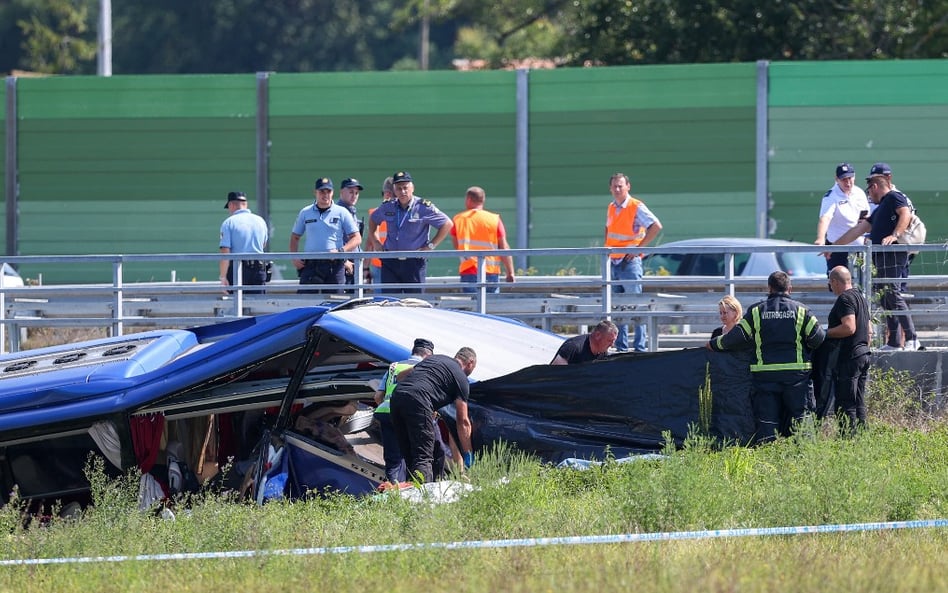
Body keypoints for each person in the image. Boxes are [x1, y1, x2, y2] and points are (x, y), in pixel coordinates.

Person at [707, 271, 825, 444]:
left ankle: (768, 455)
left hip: (765, 376)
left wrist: (714, 343)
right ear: (789, 289)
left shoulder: (756, 311)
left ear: (769, 288)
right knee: (802, 418)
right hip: (796, 377)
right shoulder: (801, 310)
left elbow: (736, 337)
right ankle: (806, 456)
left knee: (767, 422)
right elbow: (818, 338)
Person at [834, 169, 919, 351]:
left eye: (869, 191)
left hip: (892, 254)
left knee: (893, 294)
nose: (869, 195)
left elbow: (905, 214)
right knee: (885, 297)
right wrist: (833, 246)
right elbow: (858, 230)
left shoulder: (894, 197)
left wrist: (894, 235)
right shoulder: (880, 209)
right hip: (880, 256)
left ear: (875, 187)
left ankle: (912, 338)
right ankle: (894, 342)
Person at [389, 347, 477, 483]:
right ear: (470, 363)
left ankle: (412, 490)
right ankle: (422, 497)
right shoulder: (461, 378)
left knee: (413, 455)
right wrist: (468, 455)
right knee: (423, 457)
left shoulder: (435, 359)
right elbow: (463, 421)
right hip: (419, 400)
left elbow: (400, 377)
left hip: (397, 398)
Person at [368, 171, 453, 294]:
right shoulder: (388, 206)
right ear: (394, 190)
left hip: (414, 262)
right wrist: (376, 242)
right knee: (390, 303)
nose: (402, 192)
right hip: (390, 262)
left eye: (405, 188)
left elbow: (447, 224)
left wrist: (430, 246)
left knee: (414, 303)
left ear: (412, 188)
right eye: (398, 188)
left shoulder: (423, 207)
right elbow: (373, 220)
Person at [605, 172, 662, 352]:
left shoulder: (635, 206)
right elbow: (609, 231)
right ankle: (621, 346)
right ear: (610, 188)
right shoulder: (611, 207)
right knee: (618, 307)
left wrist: (638, 249)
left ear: (628, 187)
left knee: (635, 305)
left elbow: (656, 226)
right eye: (614, 186)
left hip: (629, 262)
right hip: (613, 261)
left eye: (620, 186)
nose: (617, 189)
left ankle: (639, 347)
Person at [373, 338, 434, 483]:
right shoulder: (424, 367)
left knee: (393, 459)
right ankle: (411, 490)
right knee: (415, 457)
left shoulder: (393, 366)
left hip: (386, 413)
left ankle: (392, 490)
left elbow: (377, 396)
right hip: (409, 415)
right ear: (428, 355)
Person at [289, 177, 362, 294]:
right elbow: (295, 237)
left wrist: (341, 251)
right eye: (322, 191)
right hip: (311, 265)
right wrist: (294, 257)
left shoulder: (341, 212)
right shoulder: (305, 212)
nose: (325, 195)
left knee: (335, 303)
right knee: (305, 301)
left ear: (333, 193)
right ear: (315, 192)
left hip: (334, 265)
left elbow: (357, 238)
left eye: (328, 191)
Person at [824, 265, 871, 434]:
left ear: (835, 282)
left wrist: (824, 334)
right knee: (858, 401)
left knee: (846, 401)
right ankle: (862, 437)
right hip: (863, 354)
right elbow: (869, 330)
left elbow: (849, 327)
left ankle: (847, 439)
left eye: (830, 283)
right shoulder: (860, 297)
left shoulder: (844, 299)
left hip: (850, 357)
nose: (830, 287)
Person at [450, 186, 516, 293]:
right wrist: (510, 272)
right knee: (491, 307)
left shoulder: (458, 219)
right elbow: (504, 248)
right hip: (491, 272)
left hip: (468, 271)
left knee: (471, 307)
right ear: (483, 200)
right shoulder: (494, 219)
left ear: (468, 199)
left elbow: (456, 245)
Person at [814, 162, 870, 274]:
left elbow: (866, 217)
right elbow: (825, 218)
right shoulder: (831, 196)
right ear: (837, 179)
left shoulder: (859, 193)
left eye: (850, 178)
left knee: (863, 285)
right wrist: (820, 238)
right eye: (844, 179)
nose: (848, 182)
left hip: (859, 248)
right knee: (838, 283)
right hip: (838, 249)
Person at [219, 191, 269, 294]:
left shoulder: (229, 223)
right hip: (258, 269)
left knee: (236, 305)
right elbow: (263, 244)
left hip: (237, 270)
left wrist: (223, 277)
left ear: (231, 205)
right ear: (246, 204)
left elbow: (225, 251)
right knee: (258, 306)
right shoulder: (260, 221)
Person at [337, 177, 365, 287]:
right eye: (351, 192)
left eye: (356, 193)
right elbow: (331, 240)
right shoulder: (337, 212)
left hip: (354, 264)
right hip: (342, 265)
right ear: (341, 192)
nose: (354, 195)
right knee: (342, 299)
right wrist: (343, 261)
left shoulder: (351, 212)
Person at [550, 320, 618, 365]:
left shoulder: (602, 352)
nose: (612, 345)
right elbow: (555, 373)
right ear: (598, 335)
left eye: (613, 341)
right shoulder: (573, 347)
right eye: (609, 341)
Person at [366, 177, 394, 287]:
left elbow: (369, 244)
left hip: (383, 264)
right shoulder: (377, 215)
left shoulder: (375, 214)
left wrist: (365, 267)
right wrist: (365, 267)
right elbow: (370, 243)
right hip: (381, 266)